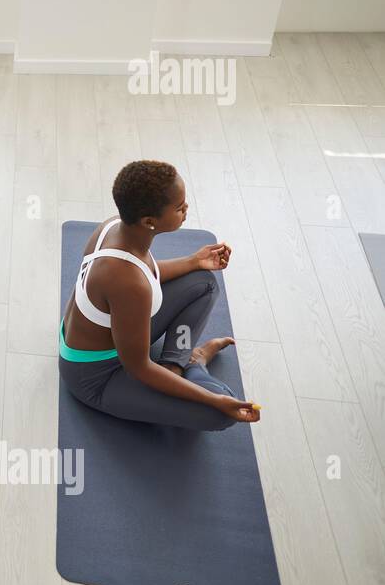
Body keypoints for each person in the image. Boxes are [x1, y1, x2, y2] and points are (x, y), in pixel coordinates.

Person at [59, 159, 260, 430]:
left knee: (204, 282)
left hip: (115, 334)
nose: (186, 209)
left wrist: (193, 261)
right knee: (221, 413)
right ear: (150, 221)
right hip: (97, 378)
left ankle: (175, 363)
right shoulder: (128, 283)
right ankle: (195, 362)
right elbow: (139, 367)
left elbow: (143, 272)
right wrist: (214, 400)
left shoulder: (115, 226)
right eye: (179, 207)